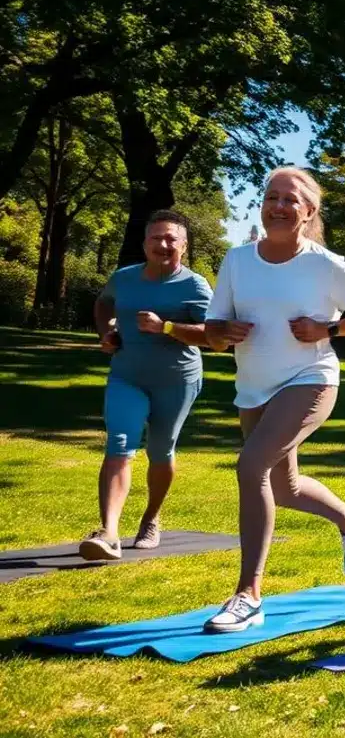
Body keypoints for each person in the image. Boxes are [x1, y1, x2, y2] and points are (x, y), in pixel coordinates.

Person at [198, 167, 345, 634]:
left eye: (291, 200)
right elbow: (212, 330)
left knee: (250, 467)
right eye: (272, 198)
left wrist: (330, 329)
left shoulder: (324, 264)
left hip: (311, 379)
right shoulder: (238, 260)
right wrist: (224, 331)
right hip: (254, 386)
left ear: (308, 213)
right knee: (283, 488)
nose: (279, 207)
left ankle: (248, 594)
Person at [80, 210, 216, 560]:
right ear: (144, 244)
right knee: (119, 444)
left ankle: (152, 518)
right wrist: (105, 334)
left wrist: (166, 327)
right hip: (127, 374)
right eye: (156, 238)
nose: (163, 244)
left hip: (176, 380)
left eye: (172, 239)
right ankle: (108, 532)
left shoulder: (195, 285)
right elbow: (104, 303)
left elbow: (215, 337)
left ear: (183, 246)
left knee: (160, 451)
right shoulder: (124, 279)